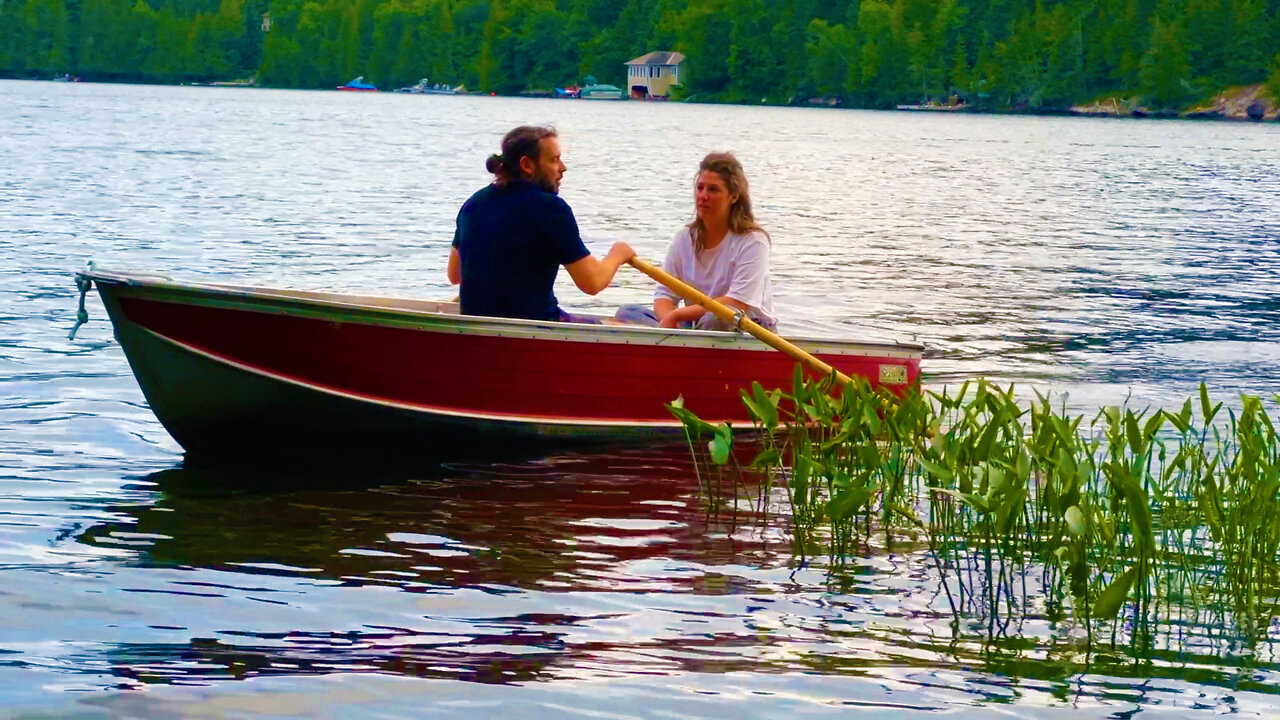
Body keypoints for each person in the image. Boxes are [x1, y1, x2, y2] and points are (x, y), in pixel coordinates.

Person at [448, 125, 635, 322]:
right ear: (527, 165)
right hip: (536, 327)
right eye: (554, 160)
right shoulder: (550, 208)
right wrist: (618, 254)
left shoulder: (473, 203)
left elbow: (455, 275)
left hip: (478, 328)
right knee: (627, 317)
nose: (563, 167)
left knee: (629, 313)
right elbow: (592, 282)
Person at [618, 152, 776, 331]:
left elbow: (738, 301)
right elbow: (664, 294)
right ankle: (679, 343)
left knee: (717, 319)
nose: (703, 196)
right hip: (696, 324)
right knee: (628, 313)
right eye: (700, 188)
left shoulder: (753, 241)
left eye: (713, 190)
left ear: (733, 197)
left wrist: (678, 314)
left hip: (748, 328)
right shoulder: (685, 238)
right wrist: (670, 322)